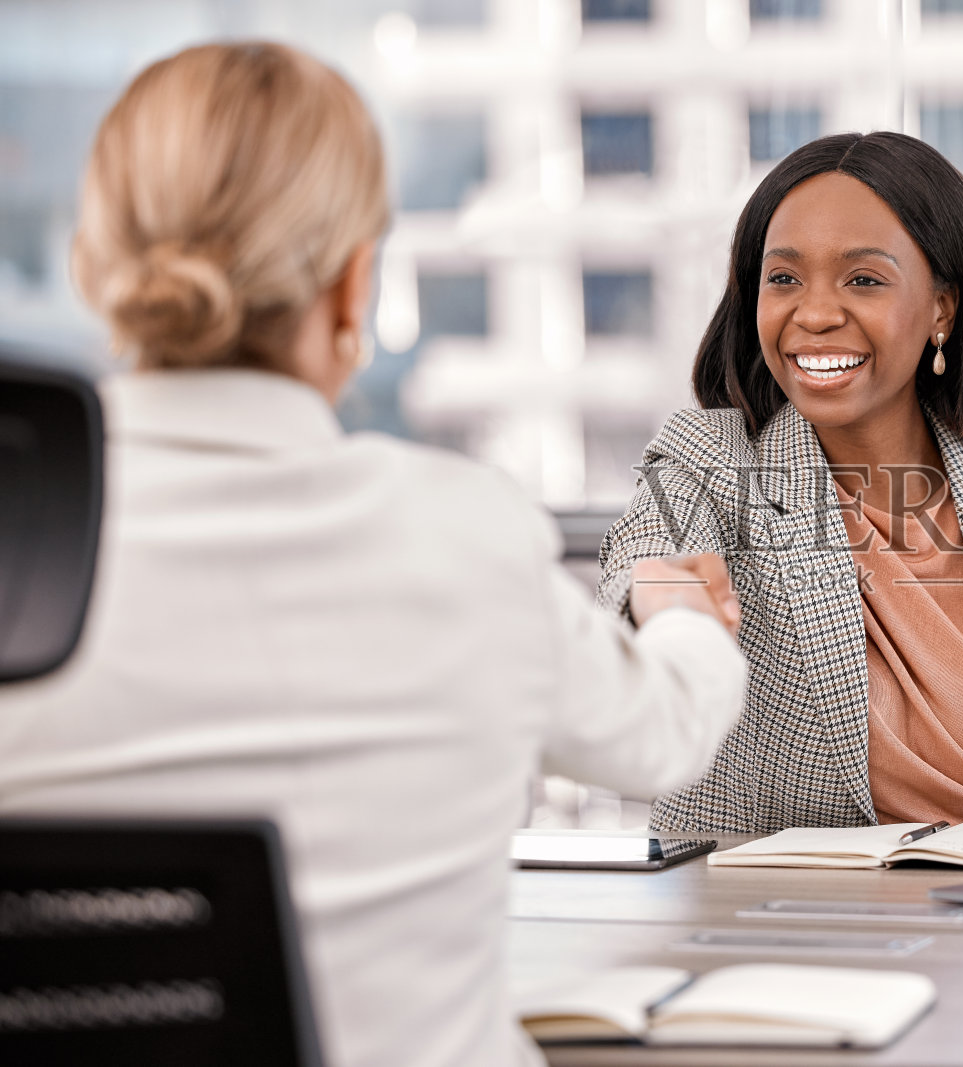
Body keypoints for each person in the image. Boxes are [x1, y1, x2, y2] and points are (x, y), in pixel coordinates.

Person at [0, 42, 745, 1067]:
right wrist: (684, 611)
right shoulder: (463, 538)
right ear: (355, 287)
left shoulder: (20, 555)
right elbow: (664, 734)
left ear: (97, 267)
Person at [598, 131, 963, 842]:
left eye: (863, 280)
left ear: (942, 307)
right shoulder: (711, 460)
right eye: (783, 279)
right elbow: (640, 573)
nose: (813, 313)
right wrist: (660, 603)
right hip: (782, 929)